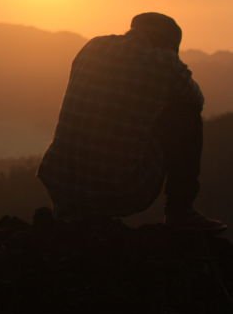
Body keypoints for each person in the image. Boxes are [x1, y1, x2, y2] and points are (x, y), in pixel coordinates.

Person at [38, 12, 226, 231]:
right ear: (169, 44)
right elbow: (196, 100)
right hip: (118, 189)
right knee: (185, 116)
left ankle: (70, 214)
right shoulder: (164, 62)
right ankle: (180, 212)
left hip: (60, 181)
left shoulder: (94, 47)